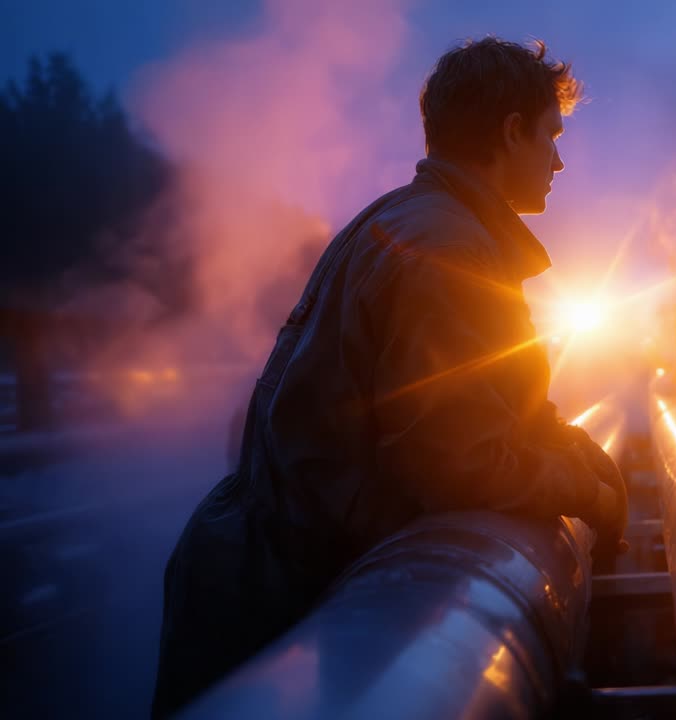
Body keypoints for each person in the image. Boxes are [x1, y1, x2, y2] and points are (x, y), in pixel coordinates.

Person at [152, 38, 627, 717]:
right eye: (551, 136)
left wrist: (571, 448)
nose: (558, 159)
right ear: (511, 131)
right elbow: (458, 461)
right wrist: (588, 490)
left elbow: (480, 408)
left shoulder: (410, 219)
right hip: (283, 601)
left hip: (266, 574)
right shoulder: (447, 248)